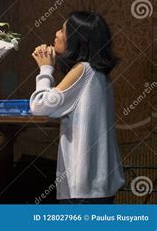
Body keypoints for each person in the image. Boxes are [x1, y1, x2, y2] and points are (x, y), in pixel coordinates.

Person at [30, 11, 125, 204]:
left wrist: (45, 69)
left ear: (76, 40)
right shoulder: (97, 72)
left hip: (85, 187)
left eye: (63, 30)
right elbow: (57, 106)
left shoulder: (83, 70)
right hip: (98, 185)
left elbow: (40, 106)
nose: (56, 33)